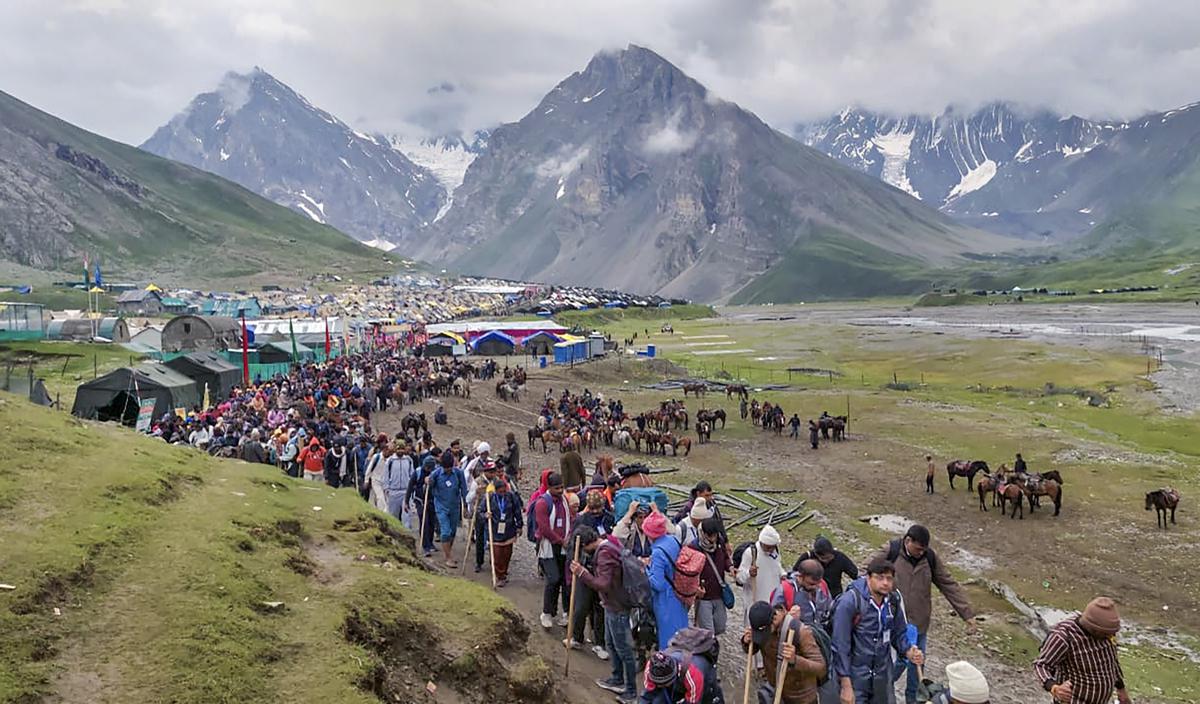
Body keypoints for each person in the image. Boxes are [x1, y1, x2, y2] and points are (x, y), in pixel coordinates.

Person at [872, 525, 974, 704]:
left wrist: (966, 613)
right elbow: (867, 573)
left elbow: (947, 583)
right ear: (907, 541)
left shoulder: (930, 558)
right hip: (893, 624)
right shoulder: (891, 551)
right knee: (897, 663)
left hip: (919, 624)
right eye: (918, 549)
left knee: (917, 666)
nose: (921, 553)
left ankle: (913, 700)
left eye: (924, 549)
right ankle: (877, 690)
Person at [831, 556, 924, 704]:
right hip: (856, 678)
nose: (885, 583)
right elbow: (840, 646)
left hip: (882, 677)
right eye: (880, 578)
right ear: (868, 577)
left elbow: (898, 633)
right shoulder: (849, 602)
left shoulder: (893, 602)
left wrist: (909, 651)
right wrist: (846, 685)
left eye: (889, 578)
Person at [571, 531, 640, 703]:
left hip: (618, 607)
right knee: (611, 643)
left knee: (624, 649)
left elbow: (603, 584)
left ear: (587, 544)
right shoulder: (610, 542)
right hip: (612, 604)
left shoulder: (604, 555)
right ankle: (617, 678)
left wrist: (582, 573)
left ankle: (631, 690)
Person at [1033, 597, 1131, 704]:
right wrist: (1054, 688)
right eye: (1105, 634)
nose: (1110, 636)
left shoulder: (1106, 633)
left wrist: (1121, 689)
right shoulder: (1064, 636)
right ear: (1093, 628)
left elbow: (1111, 661)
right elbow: (1041, 665)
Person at [744, 600, 827, 704]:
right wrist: (747, 642)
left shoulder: (801, 632)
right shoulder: (764, 627)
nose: (763, 637)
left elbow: (821, 668)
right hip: (777, 693)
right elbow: (753, 648)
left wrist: (795, 660)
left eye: (763, 633)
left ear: (774, 620)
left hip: (801, 698)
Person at [645, 510, 689, 649]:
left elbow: (658, 584)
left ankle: (669, 667)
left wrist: (646, 569)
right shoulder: (673, 540)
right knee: (681, 635)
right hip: (679, 594)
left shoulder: (658, 552)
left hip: (666, 600)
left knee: (668, 641)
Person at [535, 472, 574, 629]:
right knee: (553, 579)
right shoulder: (542, 503)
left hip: (563, 545)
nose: (560, 490)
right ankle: (547, 612)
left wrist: (568, 537)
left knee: (565, 580)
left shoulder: (564, 500)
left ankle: (565, 612)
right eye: (557, 488)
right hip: (548, 546)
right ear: (549, 487)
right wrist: (560, 541)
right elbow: (544, 528)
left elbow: (569, 519)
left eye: (562, 487)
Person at [564, 524, 609, 660]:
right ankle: (576, 637)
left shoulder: (602, 549)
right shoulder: (575, 544)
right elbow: (570, 558)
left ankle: (599, 643)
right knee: (580, 608)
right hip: (583, 580)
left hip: (598, 580)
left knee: (599, 610)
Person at [693, 517, 731, 637]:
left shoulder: (719, 541)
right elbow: (689, 572)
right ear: (703, 533)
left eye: (715, 535)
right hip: (704, 596)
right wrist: (695, 587)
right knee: (708, 633)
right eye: (710, 536)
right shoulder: (694, 547)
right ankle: (709, 652)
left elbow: (725, 557)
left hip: (718, 593)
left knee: (720, 626)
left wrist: (730, 567)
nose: (712, 539)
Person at [430, 453, 468, 569]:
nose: (447, 470)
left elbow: (464, 489)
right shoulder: (436, 474)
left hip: (454, 506)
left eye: (449, 468)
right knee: (445, 531)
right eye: (445, 468)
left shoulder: (458, 473)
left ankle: (448, 552)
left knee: (452, 532)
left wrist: (465, 506)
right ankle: (448, 558)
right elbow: (428, 486)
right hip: (441, 506)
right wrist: (428, 482)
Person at [774, 559, 832, 629]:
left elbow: (829, 610)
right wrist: (788, 618)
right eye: (811, 584)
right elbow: (773, 620)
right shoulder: (784, 591)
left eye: (818, 583)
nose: (815, 587)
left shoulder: (822, 585)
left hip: (819, 635)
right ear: (800, 577)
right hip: (795, 636)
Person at [793, 536, 858, 598]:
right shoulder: (807, 557)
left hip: (833, 594)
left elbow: (855, 574)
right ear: (816, 554)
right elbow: (794, 574)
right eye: (824, 558)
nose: (827, 560)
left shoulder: (840, 557)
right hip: (809, 594)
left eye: (830, 557)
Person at [486, 477, 522, 586]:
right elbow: (480, 511)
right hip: (495, 530)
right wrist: (485, 515)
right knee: (497, 555)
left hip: (509, 529)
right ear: (496, 490)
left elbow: (517, 511)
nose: (503, 493)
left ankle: (503, 573)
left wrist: (519, 526)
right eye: (500, 492)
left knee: (507, 554)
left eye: (504, 491)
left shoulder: (511, 497)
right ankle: (499, 575)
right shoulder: (489, 498)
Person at [638, 650, 705, 704]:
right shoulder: (650, 668)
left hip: (700, 684)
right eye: (659, 684)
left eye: (665, 683)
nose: (661, 686)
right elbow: (647, 695)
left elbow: (693, 701)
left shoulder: (693, 674)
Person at [471, 462, 501, 573]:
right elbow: (469, 498)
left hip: (494, 514)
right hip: (480, 513)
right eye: (491, 472)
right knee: (480, 539)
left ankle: (494, 562)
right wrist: (476, 492)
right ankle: (479, 562)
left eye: (494, 471)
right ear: (485, 471)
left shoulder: (497, 482)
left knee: (494, 538)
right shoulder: (477, 481)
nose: (493, 474)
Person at [384, 441, 414, 528]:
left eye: (402, 449)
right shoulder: (390, 461)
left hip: (406, 492)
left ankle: (406, 533)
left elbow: (411, 475)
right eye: (398, 449)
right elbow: (386, 476)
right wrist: (386, 489)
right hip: (393, 492)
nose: (400, 451)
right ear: (395, 449)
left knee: (407, 516)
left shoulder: (408, 460)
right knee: (393, 516)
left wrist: (412, 490)